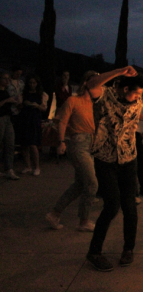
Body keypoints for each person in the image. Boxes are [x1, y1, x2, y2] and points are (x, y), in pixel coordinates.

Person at [84, 66, 143, 272]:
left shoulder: (140, 97)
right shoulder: (105, 96)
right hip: (105, 159)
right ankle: (94, 252)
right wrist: (119, 72)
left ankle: (128, 249)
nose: (140, 99)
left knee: (130, 207)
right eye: (136, 94)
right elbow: (91, 85)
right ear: (125, 89)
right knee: (112, 205)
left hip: (128, 158)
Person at [45, 71, 100, 232]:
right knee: (91, 184)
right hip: (78, 144)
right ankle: (83, 220)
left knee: (79, 184)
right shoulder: (73, 100)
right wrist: (61, 142)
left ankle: (54, 214)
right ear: (86, 84)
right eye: (96, 84)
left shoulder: (95, 104)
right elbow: (62, 121)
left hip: (90, 144)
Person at [18, 75, 47, 176]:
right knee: (24, 144)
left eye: (34, 83)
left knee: (33, 144)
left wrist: (37, 106)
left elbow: (44, 108)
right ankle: (27, 166)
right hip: (25, 119)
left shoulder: (41, 94)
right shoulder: (24, 94)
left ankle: (37, 167)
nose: (32, 85)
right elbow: (19, 106)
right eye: (30, 83)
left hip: (34, 120)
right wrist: (23, 104)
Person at [0, 72, 19, 180]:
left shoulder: (6, 91)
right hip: (1, 118)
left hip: (8, 118)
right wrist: (7, 100)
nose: (7, 81)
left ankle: (9, 169)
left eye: (8, 79)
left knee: (10, 143)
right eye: (5, 79)